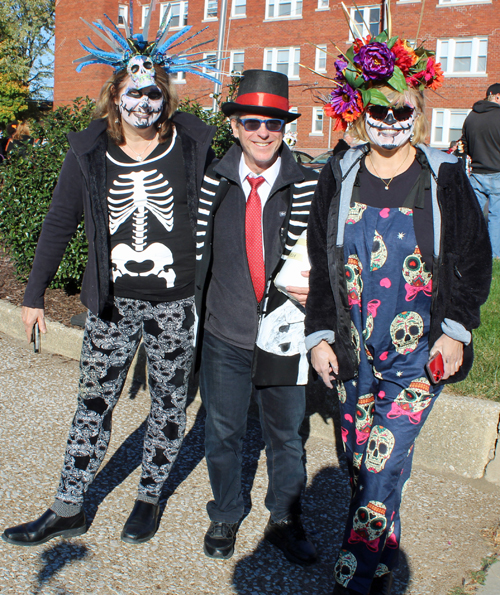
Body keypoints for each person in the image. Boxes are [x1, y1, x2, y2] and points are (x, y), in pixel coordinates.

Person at [1, 4, 219, 547]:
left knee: (169, 402)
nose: (144, 103)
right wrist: (34, 295)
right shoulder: (90, 151)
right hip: (112, 303)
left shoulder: (191, 142)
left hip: (173, 300)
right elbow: (58, 223)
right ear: (115, 94)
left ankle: (149, 496)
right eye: (134, 92)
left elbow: (234, 192)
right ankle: (68, 504)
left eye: (154, 94)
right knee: (92, 404)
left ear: (165, 99)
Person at [305, 33, 492, 595]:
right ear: (361, 109)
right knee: (365, 459)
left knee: (382, 463)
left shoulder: (445, 178)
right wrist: (319, 336)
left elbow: (474, 261)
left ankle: (354, 576)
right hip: (353, 347)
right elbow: (321, 262)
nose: (389, 118)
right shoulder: (339, 174)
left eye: (401, 107)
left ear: (418, 109)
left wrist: (456, 331)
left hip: (419, 354)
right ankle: (383, 564)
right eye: (378, 108)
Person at [196, 69, 319, 565]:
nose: (263, 132)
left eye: (273, 121)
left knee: (286, 434)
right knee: (222, 430)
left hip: (285, 335)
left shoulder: (311, 184)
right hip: (225, 332)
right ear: (234, 127)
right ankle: (225, 510)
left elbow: (332, 253)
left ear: (285, 126)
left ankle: (285, 516)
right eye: (251, 122)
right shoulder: (211, 182)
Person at [462, 83, 500, 259]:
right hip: (497, 173)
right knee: (496, 219)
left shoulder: (471, 116)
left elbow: (466, 146)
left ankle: (470, 252)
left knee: (474, 217)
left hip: (476, 174)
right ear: (496, 96)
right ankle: (494, 257)